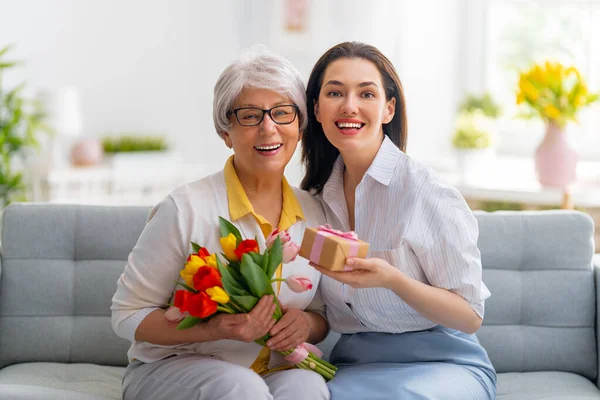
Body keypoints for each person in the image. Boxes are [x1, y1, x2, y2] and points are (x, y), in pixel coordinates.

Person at [111, 46, 330, 400]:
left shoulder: (315, 212)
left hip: (273, 368)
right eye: (249, 115)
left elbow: (321, 314)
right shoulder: (185, 209)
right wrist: (212, 328)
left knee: (308, 387)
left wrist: (306, 325)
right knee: (242, 389)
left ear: (300, 126)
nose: (268, 127)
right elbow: (126, 316)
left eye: (282, 112)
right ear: (225, 132)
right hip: (173, 367)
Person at [301, 41, 497, 399]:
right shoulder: (315, 200)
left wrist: (393, 280)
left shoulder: (426, 191)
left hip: (444, 363)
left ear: (388, 109)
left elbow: (470, 316)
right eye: (334, 92)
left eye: (367, 93)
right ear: (316, 108)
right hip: (355, 364)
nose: (349, 106)